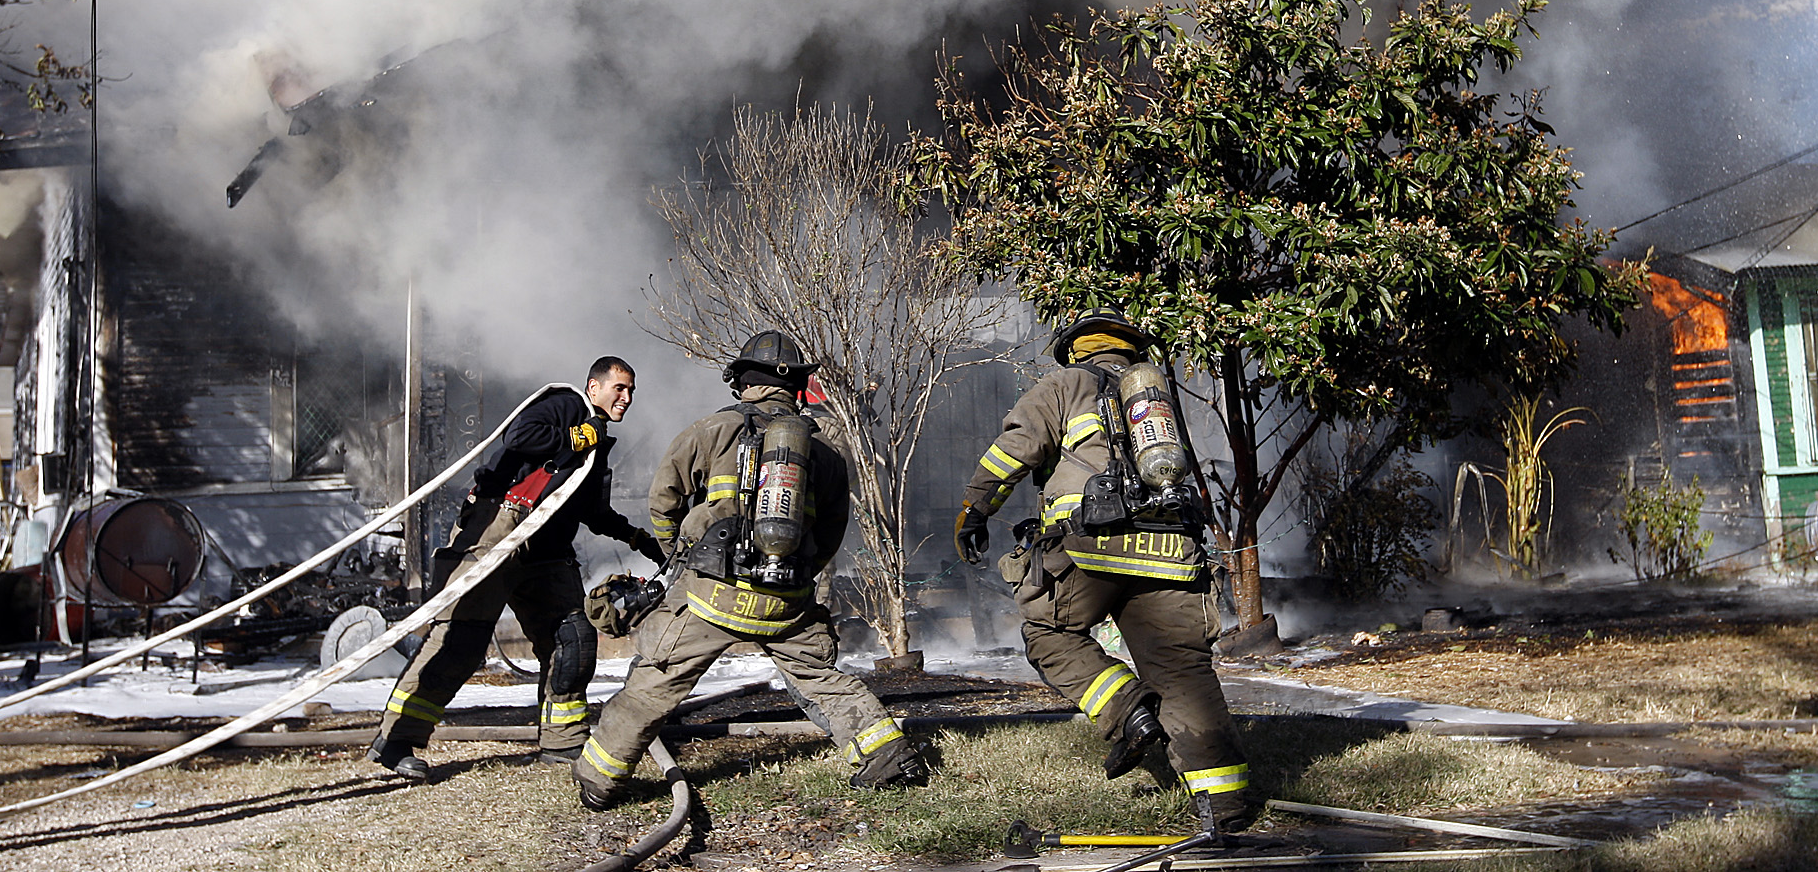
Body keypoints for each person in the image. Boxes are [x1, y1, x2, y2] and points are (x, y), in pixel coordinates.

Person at [572, 331, 927, 808]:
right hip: (787, 600)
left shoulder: (710, 430)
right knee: (821, 677)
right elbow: (833, 530)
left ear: (741, 383)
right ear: (796, 388)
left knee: (652, 683)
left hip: (709, 595)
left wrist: (679, 552)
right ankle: (887, 757)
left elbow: (664, 498)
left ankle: (598, 780)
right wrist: (799, 572)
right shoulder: (823, 450)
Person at [953, 310, 1252, 833]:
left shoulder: (1064, 383)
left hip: (1090, 546)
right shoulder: (1154, 404)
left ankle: (1127, 709)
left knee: (1049, 633)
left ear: (1075, 350)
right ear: (1132, 352)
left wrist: (975, 509)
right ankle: (1225, 808)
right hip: (1170, 550)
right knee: (1183, 670)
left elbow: (1015, 449)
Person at [368, 356, 661, 782]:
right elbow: (519, 435)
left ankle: (563, 743)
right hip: (498, 531)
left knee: (572, 640)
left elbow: (592, 512)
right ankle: (396, 742)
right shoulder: (565, 403)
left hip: (547, 552)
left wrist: (639, 538)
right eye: (619, 388)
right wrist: (579, 434)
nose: (626, 397)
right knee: (461, 641)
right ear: (593, 387)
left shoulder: (598, 446)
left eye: (631, 390)